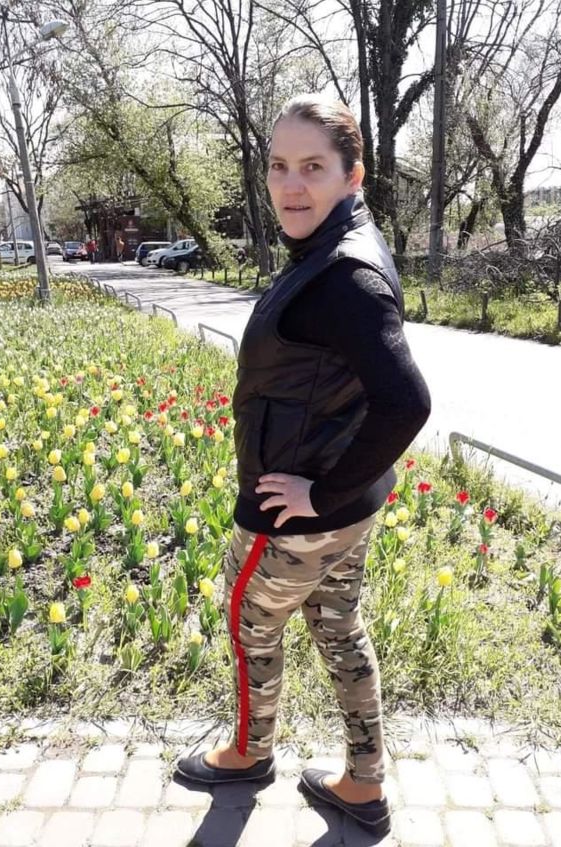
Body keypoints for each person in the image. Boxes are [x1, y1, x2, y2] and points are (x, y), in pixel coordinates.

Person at [176, 95, 431, 837]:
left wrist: (321, 493)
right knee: (340, 631)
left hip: (296, 515)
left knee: (248, 625)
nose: (291, 185)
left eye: (313, 167)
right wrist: (341, 492)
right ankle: (362, 784)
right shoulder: (340, 246)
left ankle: (246, 756)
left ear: (353, 175)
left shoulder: (344, 277)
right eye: (279, 165)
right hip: (346, 511)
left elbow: (407, 403)